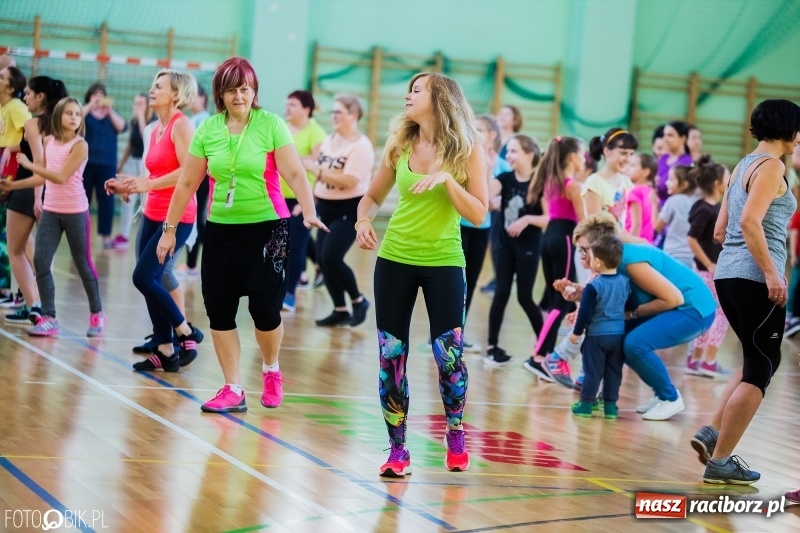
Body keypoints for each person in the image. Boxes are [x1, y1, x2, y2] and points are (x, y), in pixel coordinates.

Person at [155, 57, 325, 413]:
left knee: (265, 310)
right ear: (220, 93)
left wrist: (308, 210)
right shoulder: (208, 130)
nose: (239, 96)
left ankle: (271, 368)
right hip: (219, 230)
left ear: (254, 91)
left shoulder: (271, 125)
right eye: (231, 89)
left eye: (245, 88)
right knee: (220, 310)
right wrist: (168, 231)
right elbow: (187, 182)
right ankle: (233, 387)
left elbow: (294, 173)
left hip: (268, 228)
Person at [354, 72, 488, 476]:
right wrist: (362, 220)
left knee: (448, 357)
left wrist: (448, 180)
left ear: (440, 98)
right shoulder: (400, 143)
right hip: (395, 259)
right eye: (409, 90)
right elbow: (373, 196)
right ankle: (398, 450)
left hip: (444, 263)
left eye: (418, 90)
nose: (409, 96)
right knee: (391, 358)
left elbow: (479, 213)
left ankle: (455, 430)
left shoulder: (467, 150)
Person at [690, 99, 799, 485]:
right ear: (789, 129)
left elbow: (721, 230)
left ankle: (712, 432)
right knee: (761, 371)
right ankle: (720, 461)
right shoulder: (772, 167)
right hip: (755, 278)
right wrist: (772, 274)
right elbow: (751, 222)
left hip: (729, 274)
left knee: (755, 359)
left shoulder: (742, 166)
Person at [553, 214, 716, 421]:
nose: (581, 256)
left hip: (694, 309)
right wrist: (580, 292)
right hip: (675, 306)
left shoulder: (631, 261)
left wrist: (630, 314)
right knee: (617, 338)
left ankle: (670, 398)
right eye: (579, 249)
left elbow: (673, 299)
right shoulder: (611, 263)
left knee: (634, 344)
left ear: (600, 248)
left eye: (584, 250)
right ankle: (659, 393)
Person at [107, 70, 204, 372]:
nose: (151, 90)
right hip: (151, 213)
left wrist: (146, 185)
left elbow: (190, 173)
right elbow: (155, 174)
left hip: (178, 215)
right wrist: (131, 184)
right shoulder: (155, 129)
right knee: (151, 280)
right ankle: (165, 351)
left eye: (158, 86)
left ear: (176, 94)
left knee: (143, 277)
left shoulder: (182, 125)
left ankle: (186, 332)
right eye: (153, 84)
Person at [10, 97, 106, 337]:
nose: (74, 117)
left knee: (82, 263)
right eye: (69, 113)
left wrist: (30, 165)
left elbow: (60, 176)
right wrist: (13, 186)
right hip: (51, 210)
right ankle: (49, 317)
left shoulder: (80, 145)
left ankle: (97, 313)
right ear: (58, 116)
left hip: (76, 211)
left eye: (77, 114)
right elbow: (43, 177)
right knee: (41, 260)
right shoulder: (48, 140)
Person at [1, 76, 67, 325]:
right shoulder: (60, 123)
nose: (24, 97)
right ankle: (44, 306)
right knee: (42, 256)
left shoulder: (33, 124)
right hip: (58, 191)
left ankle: (35, 306)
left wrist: (37, 195)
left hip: (29, 189)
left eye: (28, 93)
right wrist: (12, 148)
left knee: (16, 250)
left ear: (40, 97)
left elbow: (40, 161)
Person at [305, 94, 374, 327]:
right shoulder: (330, 139)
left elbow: (350, 180)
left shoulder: (361, 146)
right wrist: (311, 198)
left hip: (349, 209)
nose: (333, 116)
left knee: (331, 257)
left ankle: (358, 299)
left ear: (353, 116)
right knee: (323, 262)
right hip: (326, 206)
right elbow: (320, 172)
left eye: (339, 112)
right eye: (333, 112)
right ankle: (340, 309)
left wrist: (317, 171)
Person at [524, 136, 585, 386]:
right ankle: (539, 357)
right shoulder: (573, 186)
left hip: (548, 238)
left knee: (555, 300)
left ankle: (543, 353)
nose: (584, 159)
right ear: (572, 157)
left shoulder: (550, 181)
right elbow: (584, 222)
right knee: (563, 298)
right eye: (582, 155)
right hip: (566, 240)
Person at [486, 135, 547, 367]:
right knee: (501, 292)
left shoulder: (540, 184)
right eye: (507, 152)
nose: (508, 156)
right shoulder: (505, 178)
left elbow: (549, 218)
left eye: (513, 151)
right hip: (504, 246)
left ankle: (545, 347)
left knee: (524, 297)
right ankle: (492, 347)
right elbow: (487, 195)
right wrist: (489, 168)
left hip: (528, 249)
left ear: (529, 155)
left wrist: (528, 219)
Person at [569, 235, 636, 419]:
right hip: (618, 335)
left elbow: (584, 312)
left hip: (596, 337)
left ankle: (586, 404)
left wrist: (576, 333)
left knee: (593, 371)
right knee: (613, 371)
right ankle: (611, 407)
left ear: (598, 262)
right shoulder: (624, 282)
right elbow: (633, 304)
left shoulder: (594, 286)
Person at [280, 89, 326, 312]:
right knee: (282, 245)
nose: (287, 109)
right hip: (279, 197)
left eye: (293, 105)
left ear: (306, 109)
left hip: (303, 198)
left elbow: (318, 166)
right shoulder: (282, 129)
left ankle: (289, 295)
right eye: (287, 104)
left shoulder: (316, 133)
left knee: (296, 246)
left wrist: (309, 202)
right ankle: (317, 268)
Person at [686, 157, 730, 377]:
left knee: (709, 313)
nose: (730, 181)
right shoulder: (705, 209)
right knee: (721, 313)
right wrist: (709, 263)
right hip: (707, 271)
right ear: (716, 183)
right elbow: (692, 239)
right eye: (727, 177)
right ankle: (707, 361)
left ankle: (696, 359)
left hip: (711, 270)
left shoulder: (718, 207)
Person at [0, 66, 31, 306]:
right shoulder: (5, 108)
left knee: (10, 236)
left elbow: (32, 139)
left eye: (1, 77)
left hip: (14, 177)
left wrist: (10, 150)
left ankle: (10, 291)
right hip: (5, 172)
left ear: (11, 87)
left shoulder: (18, 109)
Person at [82, 83, 127, 248]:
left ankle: (106, 237)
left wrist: (109, 110)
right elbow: (76, 120)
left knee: (106, 202)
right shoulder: (84, 114)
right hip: (85, 165)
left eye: (101, 94)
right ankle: (81, 235)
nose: (98, 97)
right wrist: (90, 105)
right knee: (82, 201)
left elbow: (123, 127)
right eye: (95, 94)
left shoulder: (110, 115)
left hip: (107, 165)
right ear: (89, 96)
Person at [111, 93, 154, 250]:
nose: (137, 106)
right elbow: (130, 143)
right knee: (126, 199)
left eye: (141, 103)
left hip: (146, 165)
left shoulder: (153, 121)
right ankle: (124, 235)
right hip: (132, 162)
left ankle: (145, 238)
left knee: (145, 202)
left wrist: (142, 116)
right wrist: (121, 163)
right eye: (135, 103)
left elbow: (146, 138)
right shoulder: (135, 120)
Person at [180, 84, 212, 278]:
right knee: (196, 219)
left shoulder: (204, 121)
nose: (191, 100)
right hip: (196, 176)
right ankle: (192, 264)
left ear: (203, 98)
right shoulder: (193, 119)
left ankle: (192, 265)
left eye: (194, 96)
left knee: (197, 219)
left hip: (200, 177)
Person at [583, 128, 637, 237]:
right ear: (607, 151)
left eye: (631, 154)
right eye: (623, 153)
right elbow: (596, 228)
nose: (628, 159)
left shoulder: (626, 182)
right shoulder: (594, 182)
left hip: (619, 245)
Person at [653, 165, 697, 268]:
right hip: (692, 257)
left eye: (671, 180)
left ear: (684, 185)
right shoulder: (697, 202)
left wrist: (654, 204)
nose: (667, 183)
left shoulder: (674, 201)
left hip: (673, 255)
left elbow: (656, 227)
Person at [655, 121, 693, 206]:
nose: (665, 139)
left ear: (683, 138)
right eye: (664, 135)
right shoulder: (663, 158)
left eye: (670, 135)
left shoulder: (686, 163)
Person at [624, 152, 658, 244]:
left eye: (632, 165)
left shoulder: (635, 192)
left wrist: (629, 245)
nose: (628, 168)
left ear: (645, 172)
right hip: (648, 244)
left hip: (636, 244)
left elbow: (636, 225)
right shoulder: (652, 192)